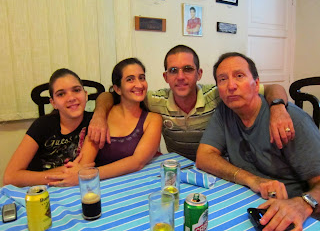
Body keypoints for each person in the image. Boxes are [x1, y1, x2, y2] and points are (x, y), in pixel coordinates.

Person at [89, 45, 294, 161]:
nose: (180, 77)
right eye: (173, 71)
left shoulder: (219, 93)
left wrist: (278, 108)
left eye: (187, 69)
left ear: (199, 74)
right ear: (165, 77)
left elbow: (272, 87)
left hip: (219, 167)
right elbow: (109, 95)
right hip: (179, 169)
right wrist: (99, 116)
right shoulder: (154, 100)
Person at [196, 52, 320, 230]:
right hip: (252, 205)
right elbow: (204, 156)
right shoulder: (225, 112)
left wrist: (303, 203)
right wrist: (252, 180)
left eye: (239, 76)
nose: (231, 85)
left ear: (257, 84)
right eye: (222, 79)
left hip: (296, 214)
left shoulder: (291, 120)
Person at [45, 58, 162, 186]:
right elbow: (84, 163)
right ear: (117, 89)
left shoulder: (153, 119)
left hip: (137, 184)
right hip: (100, 186)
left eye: (142, 77)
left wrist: (89, 174)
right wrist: (82, 173)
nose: (139, 84)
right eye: (130, 79)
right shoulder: (102, 117)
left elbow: (137, 162)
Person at [3, 68, 93, 187]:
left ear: (85, 94)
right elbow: (10, 177)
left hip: (76, 189)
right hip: (43, 190)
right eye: (61, 94)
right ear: (53, 103)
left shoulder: (95, 122)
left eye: (76, 90)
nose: (71, 98)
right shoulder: (42, 125)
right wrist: (66, 173)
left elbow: (84, 169)